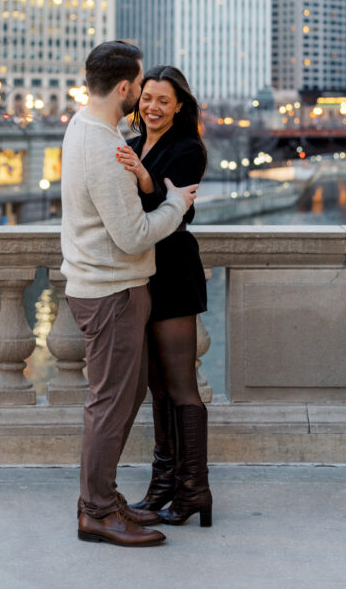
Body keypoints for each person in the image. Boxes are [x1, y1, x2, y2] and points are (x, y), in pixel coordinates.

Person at [61, 41, 199, 548]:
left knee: (122, 395)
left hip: (107, 286)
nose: (143, 95)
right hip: (112, 291)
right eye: (140, 86)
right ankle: (96, 512)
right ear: (124, 87)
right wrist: (177, 205)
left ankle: (104, 500)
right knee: (110, 404)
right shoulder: (102, 146)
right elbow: (134, 235)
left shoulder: (84, 126)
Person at [115, 65, 212, 528]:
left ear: (179, 106)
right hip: (142, 274)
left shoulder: (187, 149)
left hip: (173, 272)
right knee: (157, 388)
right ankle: (162, 486)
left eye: (163, 100)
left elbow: (171, 215)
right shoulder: (132, 146)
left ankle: (195, 490)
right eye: (146, 97)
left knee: (181, 387)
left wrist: (145, 180)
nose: (152, 106)